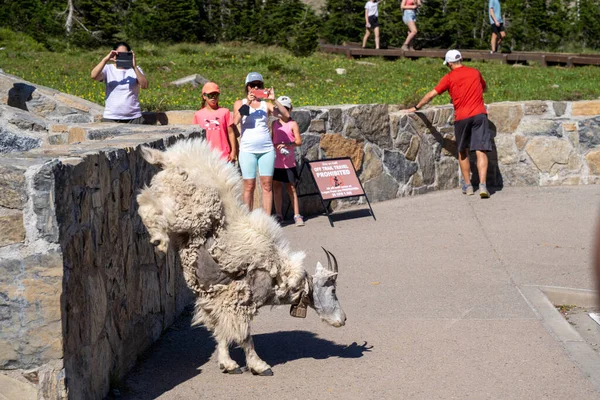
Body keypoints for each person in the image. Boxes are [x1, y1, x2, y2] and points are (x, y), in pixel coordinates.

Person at [404, 50, 491, 199]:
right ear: (460, 59)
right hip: (479, 115)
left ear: (449, 63)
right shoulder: (475, 72)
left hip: (462, 117)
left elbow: (431, 95)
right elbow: (484, 87)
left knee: (462, 151)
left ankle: (468, 185)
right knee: (480, 150)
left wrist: (416, 107)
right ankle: (483, 185)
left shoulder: (449, 77)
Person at [233, 72, 290, 215]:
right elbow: (235, 121)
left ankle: (266, 220)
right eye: (252, 85)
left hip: (266, 150)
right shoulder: (240, 103)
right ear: (247, 87)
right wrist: (248, 102)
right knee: (249, 186)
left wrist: (275, 99)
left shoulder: (266, 104)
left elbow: (286, 116)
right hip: (247, 150)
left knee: (266, 185)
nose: (255, 87)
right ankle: (248, 220)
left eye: (258, 85)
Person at [91, 42, 148, 123]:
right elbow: (94, 76)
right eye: (119, 54)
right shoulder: (108, 68)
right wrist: (105, 59)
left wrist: (134, 66)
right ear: (114, 54)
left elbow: (144, 85)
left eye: (125, 54)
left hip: (134, 117)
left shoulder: (135, 69)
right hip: (111, 116)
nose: (122, 56)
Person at [271, 96, 304, 227]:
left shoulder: (293, 124)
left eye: (286, 108)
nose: (283, 110)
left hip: (289, 163)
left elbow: (299, 141)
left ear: (290, 109)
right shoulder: (274, 124)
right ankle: (279, 215)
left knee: (291, 188)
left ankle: (297, 215)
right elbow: (272, 141)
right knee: (276, 188)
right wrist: (277, 146)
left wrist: (288, 144)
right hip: (276, 162)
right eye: (281, 108)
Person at [192, 82, 237, 162]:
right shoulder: (198, 115)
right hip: (205, 156)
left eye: (215, 95)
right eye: (210, 95)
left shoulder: (225, 112)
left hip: (224, 156)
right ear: (204, 96)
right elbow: (195, 137)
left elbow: (231, 133)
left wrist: (233, 151)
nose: (213, 98)